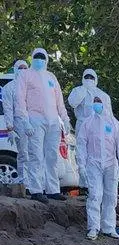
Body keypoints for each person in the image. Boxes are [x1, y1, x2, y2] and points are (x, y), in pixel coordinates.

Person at [15, 48, 71, 203]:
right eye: (36, 57)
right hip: (35, 120)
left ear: (46, 59)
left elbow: (59, 101)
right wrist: (25, 121)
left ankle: (53, 190)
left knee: (52, 157)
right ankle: (36, 190)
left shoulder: (51, 77)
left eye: (42, 57)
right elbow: (20, 100)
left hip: (53, 121)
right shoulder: (25, 75)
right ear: (32, 58)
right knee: (36, 156)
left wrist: (65, 120)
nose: (39, 59)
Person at [76, 97, 119, 240]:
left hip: (111, 164)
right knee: (95, 195)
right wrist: (81, 165)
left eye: (99, 102)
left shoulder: (114, 124)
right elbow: (81, 144)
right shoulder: (88, 123)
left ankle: (109, 227)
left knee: (110, 196)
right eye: (95, 102)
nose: (97, 105)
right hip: (93, 163)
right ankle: (93, 227)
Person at [2, 60, 29, 184]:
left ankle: (38, 185)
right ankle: (25, 182)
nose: (23, 70)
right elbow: (7, 109)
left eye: (25, 68)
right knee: (24, 153)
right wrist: (10, 128)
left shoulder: (33, 86)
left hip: (36, 123)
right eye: (20, 68)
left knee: (38, 155)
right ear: (16, 69)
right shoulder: (9, 87)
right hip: (19, 123)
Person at [67, 69, 112, 136]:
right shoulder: (77, 90)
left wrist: (109, 130)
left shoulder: (103, 95)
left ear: (95, 79)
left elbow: (109, 115)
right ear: (83, 78)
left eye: (91, 77)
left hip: (98, 127)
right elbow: (72, 103)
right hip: (82, 126)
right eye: (87, 77)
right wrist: (83, 90)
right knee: (81, 145)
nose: (89, 79)